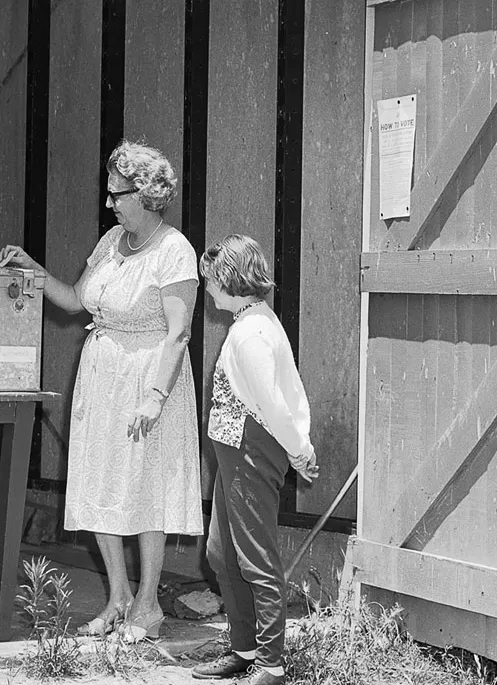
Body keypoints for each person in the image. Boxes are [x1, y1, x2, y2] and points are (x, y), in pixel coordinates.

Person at [0, 140, 201, 642]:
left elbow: (179, 333)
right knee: (100, 482)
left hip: (150, 378)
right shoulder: (112, 241)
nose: (110, 203)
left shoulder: (175, 250)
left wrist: (155, 394)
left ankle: (149, 606)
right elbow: (73, 301)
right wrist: (31, 268)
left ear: (148, 193)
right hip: (101, 377)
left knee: (146, 486)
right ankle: (119, 598)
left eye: (117, 193)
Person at [188, 235, 317, 685]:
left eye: (211, 280)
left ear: (228, 279)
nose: (207, 288)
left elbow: (273, 403)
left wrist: (300, 452)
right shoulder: (247, 322)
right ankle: (245, 650)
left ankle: (271, 664)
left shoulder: (253, 332)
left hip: (251, 452)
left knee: (256, 558)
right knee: (222, 555)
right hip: (233, 452)